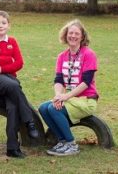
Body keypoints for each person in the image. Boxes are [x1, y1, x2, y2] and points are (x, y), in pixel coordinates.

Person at [0, 10, 39, 158]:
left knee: (12, 108)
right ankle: (29, 121)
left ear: (9, 25)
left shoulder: (12, 41)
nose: (0, 26)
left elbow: (19, 63)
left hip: (8, 78)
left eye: (3, 23)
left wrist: (0, 67)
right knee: (14, 86)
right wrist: (8, 60)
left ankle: (12, 148)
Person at [39, 19, 99, 156]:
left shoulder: (88, 54)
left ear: (82, 36)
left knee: (53, 109)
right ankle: (62, 141)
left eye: (77, 33)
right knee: (43, 108)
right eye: (70, 33)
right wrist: (58, 95)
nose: (73, 36)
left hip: (87, 100)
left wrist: (65, 97)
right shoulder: (62, 56)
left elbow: (86, 82)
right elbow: (58, 80)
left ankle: (71, 144)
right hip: (71, 99)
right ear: (66, 35)